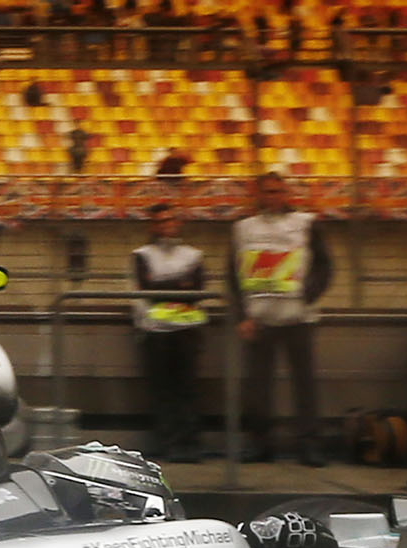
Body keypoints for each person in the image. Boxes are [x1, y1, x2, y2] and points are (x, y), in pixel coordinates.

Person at [231, 171, 343, 464]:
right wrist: (241, 316)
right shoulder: (243, 229)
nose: (274, 197)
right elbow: (234, 275)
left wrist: (309, 294)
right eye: (268, 192)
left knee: (305, 385)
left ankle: (309, 444)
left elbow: (325, 265)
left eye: (278, 191)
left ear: (286, 194)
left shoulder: (306, 223)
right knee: (258, 386)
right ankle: (259, 444)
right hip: (259, 319)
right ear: (259, 195)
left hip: (298, 318)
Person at [127, 203, 214, 464]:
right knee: (162, 390)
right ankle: (169, 443)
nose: (166, 226)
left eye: (170, 220)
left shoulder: (193, 255)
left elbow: (196, 290)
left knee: (187, 389)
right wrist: (178, 285)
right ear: (152, 226)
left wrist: (161, 286)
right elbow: (144, 289)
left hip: (187, 330)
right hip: (155, 331)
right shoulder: (142, 255)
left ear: (179, 223)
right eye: (160, 221)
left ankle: (190, 444)